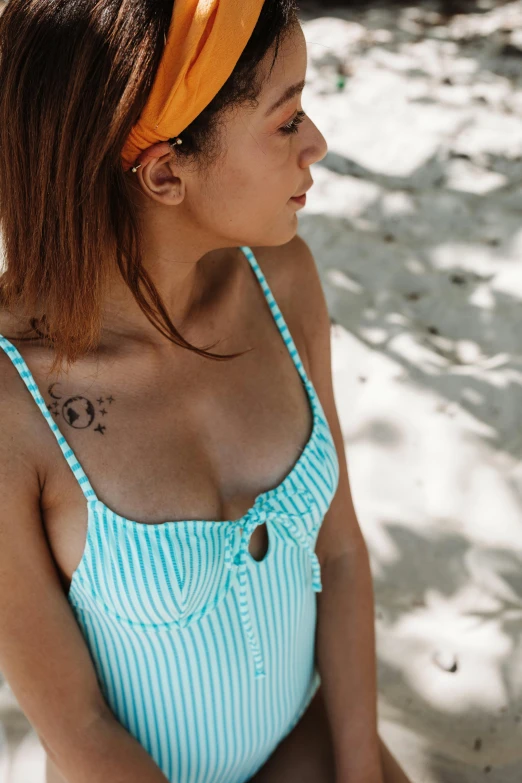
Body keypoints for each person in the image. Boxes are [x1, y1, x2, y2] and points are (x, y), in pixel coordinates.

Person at [0, 1, 413, 782]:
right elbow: (80, 728)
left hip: (309, 748)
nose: (317, 142)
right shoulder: (12, 397)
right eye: (286, 120)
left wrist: (361, 770)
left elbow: (342, 553)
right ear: (165, 172)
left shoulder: (281, 280)